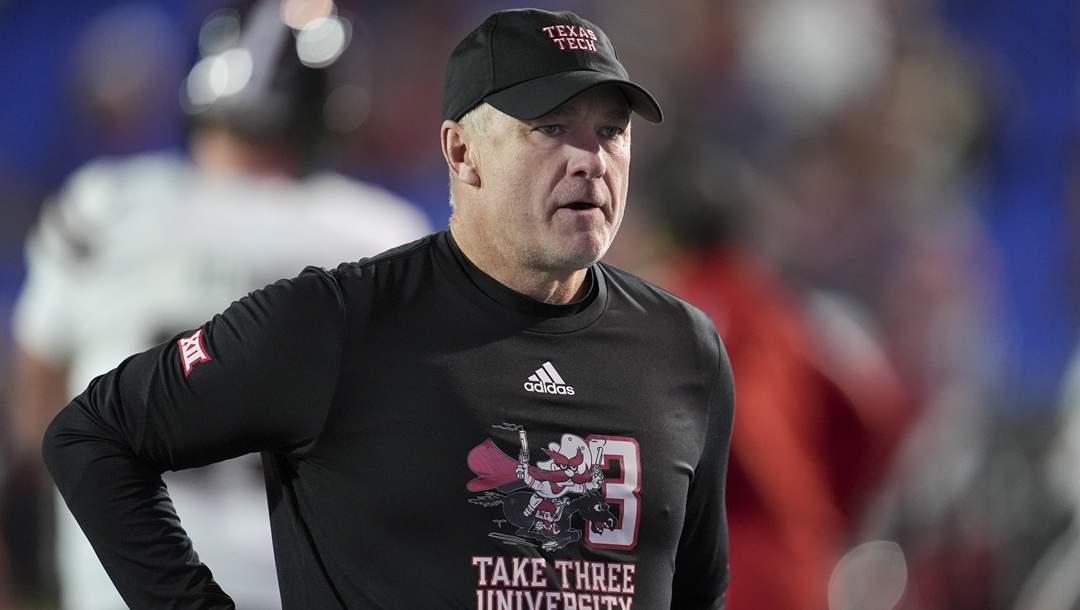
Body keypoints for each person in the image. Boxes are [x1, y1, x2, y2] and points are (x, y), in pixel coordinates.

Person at [40, 7, 735, 609]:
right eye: (551, 128)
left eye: (612, 131)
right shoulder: (341, 318)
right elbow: (92, 435)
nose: (591, 159)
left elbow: (696, 589)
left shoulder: (684, 349)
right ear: (462, 152)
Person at [10, 1, 431, 608]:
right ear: (325, 104)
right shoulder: (375, 236)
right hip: (302, 584)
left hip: (127, 580)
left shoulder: (107, 207)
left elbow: (37, 397)